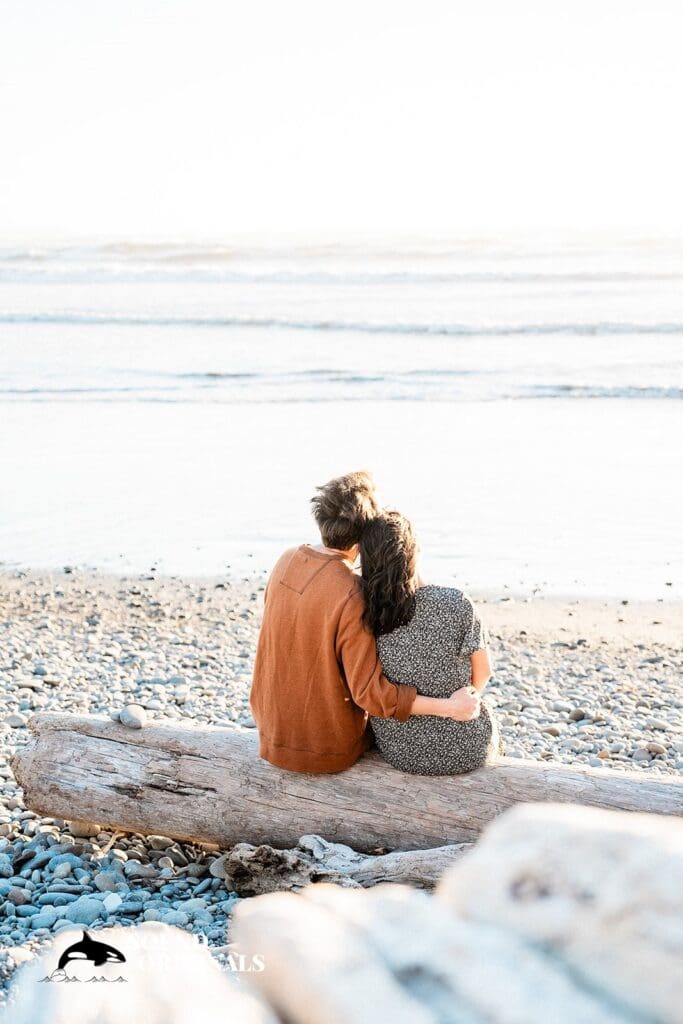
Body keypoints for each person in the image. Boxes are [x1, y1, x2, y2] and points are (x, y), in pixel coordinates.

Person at [249, 471, 481, 774]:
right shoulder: (352, 593)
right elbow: (370, 694)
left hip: (270, 732)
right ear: (365, 532)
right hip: (324, 749)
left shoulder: (287, 558)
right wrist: (450, 708)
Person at [361, 510, 501, 775]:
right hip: (466, 747)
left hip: (400, 750)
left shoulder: (368, 614)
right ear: (416, 552)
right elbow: (483, 673)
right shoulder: (456, 603)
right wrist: (463, 699)